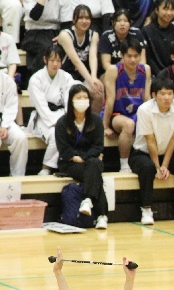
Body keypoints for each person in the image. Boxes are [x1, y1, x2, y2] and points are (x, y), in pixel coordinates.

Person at [128, 76, 174, 224]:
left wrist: (165, 165)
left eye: (170, 94)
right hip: (142, 154)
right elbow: (150, 141)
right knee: (148, 167)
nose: (167, 97)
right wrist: (158, 166)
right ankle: (146, 209)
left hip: (166, 153)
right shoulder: (144, 110)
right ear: (154, 95)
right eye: (162, 94)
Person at [57, 84, 108, 227]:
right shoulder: (62, 122)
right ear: (71, 100)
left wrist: (84, 158)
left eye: (85, 97)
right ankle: (102, 215)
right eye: (78, 97)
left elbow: (98, 145)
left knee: (95, 165)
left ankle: (88, 201)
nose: (82, 100)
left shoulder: (96, 120)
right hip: (70, 162)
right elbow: (63, 149)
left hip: (90, 161)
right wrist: (76, 157)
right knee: (95, 171)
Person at [29, 45, 76, 176]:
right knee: (56, 134)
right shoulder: (36, 79)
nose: (55, 64)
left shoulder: (66, 77)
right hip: (44, 118)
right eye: (52, 60)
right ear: (45, 60)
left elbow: (69, 100)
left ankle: (68, 167)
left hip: (63, 114)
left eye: (58, 60)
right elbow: (41, 105)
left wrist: (68, 119)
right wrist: (55, 121)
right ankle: (46, 168)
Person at [102, 38, 147, 169]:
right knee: (129, 125)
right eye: (129, 56)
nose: (133, 60)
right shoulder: (113, 70)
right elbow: (110, 100)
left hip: (137, 113)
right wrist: (105, 126)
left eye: (136, 56)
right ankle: (124, 164)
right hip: (117, 114)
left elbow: (147, 98)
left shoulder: (146, 70)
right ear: (122, 56)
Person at [59, 4, 104, 111]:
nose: (85, 21)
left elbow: (93, 57)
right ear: (74, 19)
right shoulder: (65, 34)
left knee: (98, 94)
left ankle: (92, 124)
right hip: (66, 76)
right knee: (79, 96)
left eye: (87, 18)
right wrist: (91, 80)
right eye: (81, 18)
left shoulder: (94, 35)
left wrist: (93, 78)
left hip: (83, 75)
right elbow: (76, 61)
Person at [141, 0, 174, 76]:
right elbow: (148, 59)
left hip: (173, 75)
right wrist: (160, 75)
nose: (169, 13)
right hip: (154, 76)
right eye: (165, 9)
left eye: (172, 9)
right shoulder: (146, 32)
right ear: (157, 10)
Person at [99, 9, 147, 81]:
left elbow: (142, 61)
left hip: (134, 70)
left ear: (130, 23)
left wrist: (131, 71)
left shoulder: (137, 34)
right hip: (113, 71)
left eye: (125, 21)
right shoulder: (106, 36)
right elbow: (106, 64)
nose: (122, 24)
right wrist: (121, 72)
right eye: (118, 21)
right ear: (113, 23)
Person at [23, 0, 62, 78]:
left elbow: (67, 19)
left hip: (54, 31)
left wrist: (62, 35)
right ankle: (39, 80)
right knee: (47, 49)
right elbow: (35, 16)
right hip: (34, 31)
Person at [0, 69, 25, 176]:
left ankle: (17, 178)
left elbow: (11, 106)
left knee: (21, 138)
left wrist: (4, 125)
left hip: (5, 120)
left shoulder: (7, 81)